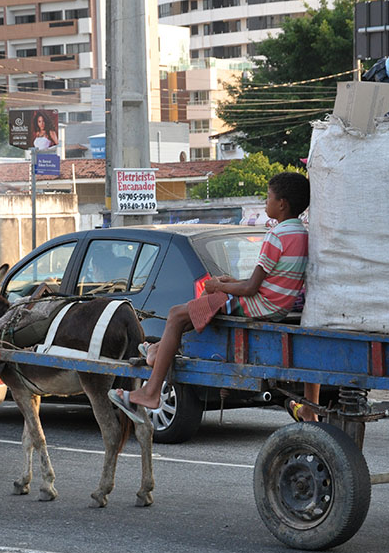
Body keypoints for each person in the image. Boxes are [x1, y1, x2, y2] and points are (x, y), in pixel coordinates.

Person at [109, 171, 320, 422]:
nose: (266, 203)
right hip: (275, 303)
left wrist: (219, 287)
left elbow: (252, 288)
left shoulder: (276, 235)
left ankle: (151, 392)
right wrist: (231, 283)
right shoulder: (300, 232)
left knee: (177, 314)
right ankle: (155, 350)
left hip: (260, 305)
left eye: (268, 198)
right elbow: (268, 280)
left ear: (282, 204)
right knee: (192, 312)